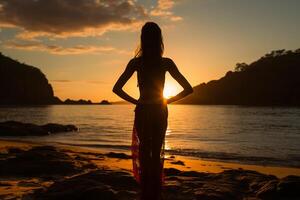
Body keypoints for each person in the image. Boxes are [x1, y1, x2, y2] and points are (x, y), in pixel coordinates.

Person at [113, 22, 193, 200]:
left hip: (143, 110)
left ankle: (145, 189)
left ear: (143, 39)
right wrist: (167, 101)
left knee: (143, 150)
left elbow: (116, 89)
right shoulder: (165, 62)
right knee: (156, 151)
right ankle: (154, 191)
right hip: (159, 110)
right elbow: (188, 89)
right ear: (160, 39)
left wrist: (138, 102)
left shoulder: (136, 63)